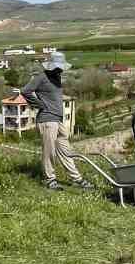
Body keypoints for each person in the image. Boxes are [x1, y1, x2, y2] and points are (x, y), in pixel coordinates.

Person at [20, 53, 92, 191]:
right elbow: (25, 91)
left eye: (61, 67)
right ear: (51, 66)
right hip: (47, 120)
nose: (60, 70)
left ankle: (76, 178)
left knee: (66, 151)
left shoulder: (57, 77)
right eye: (58, 67)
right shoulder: (41, 77)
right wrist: (40, 105)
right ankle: (50, 179)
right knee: (49, 151)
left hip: (58, 120)